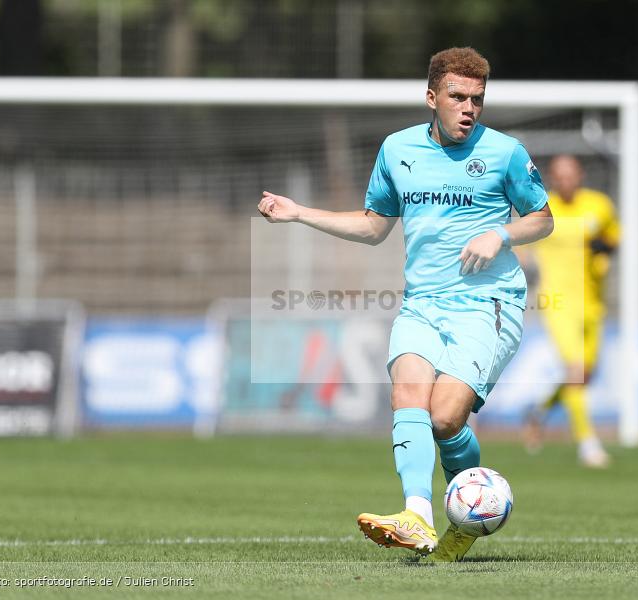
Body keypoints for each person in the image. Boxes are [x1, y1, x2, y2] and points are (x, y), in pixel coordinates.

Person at [257, 47, 553, 561]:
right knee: (408, 394)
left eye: (477, 99)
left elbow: (543, 218)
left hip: (489, 304)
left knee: (444, 419)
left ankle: (469, 512)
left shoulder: (504, 152)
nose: (469, 108)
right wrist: (299, 213)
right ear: (432, 97)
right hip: (422, 304)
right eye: (458, 97)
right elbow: (374, 227)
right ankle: (417, 515)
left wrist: (500, 236)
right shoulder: (397, 150)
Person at [521, 155, 619, 468]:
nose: (565, 180)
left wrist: (605, 248)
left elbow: (614, 237)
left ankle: (539, 410)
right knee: (576, 371)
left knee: (583, 376)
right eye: (559, 175)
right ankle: (588, 443)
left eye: (570, 174)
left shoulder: (599, 205)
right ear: (551, 177)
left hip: (592, 302)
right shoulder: (541, 206)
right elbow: (521, 243)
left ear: (580, 175)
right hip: (557, 302)